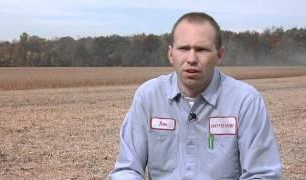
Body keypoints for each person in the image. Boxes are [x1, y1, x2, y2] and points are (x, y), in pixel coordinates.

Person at [110, 12, 282, 179]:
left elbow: (263, 174)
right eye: (184, 48)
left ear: (219, 55)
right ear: (171, 54)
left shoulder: (245, 101)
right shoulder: (148, 97)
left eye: (202, 50)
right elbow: (127, 169)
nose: (192, 58)